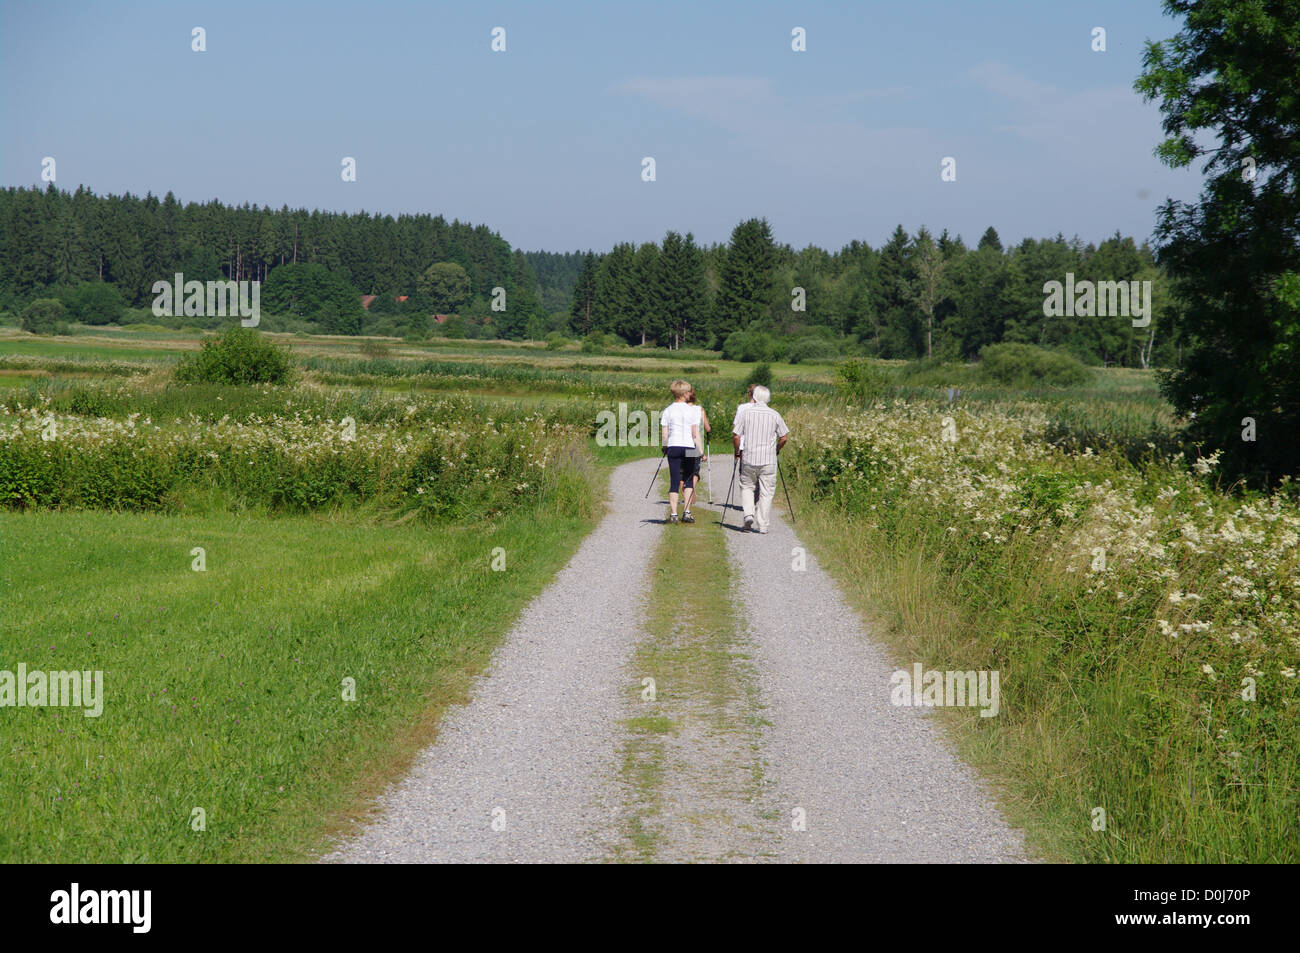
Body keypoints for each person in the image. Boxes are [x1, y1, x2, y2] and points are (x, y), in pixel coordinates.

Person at [732, 385, 789, 534]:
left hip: (749, 458)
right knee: (766, 492)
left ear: (754, 396)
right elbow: (784, 437)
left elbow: (736, 435)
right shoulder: (775, 414)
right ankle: (763, 525)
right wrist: (777, 449)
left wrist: (737, 451)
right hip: (768, 460)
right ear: (768, 398)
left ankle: (748, 515)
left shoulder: (746, 413)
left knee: (747, 487)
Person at [660, 379, 702, 523]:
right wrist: (700, 452)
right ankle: (687, 512)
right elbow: (694, 434)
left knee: (674, 481)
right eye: (688, 391)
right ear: (684, 393)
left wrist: (664, 447)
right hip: (689, 447)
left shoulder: (667, 410)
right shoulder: (692, 411)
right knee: (689, 480)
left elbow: (665, 434)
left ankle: (673, 515)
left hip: (674, 447)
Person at [731, 384, 760, 507]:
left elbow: (736, 430)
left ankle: (748, 499)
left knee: (744, 474)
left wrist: (736, 451)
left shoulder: (742, 408)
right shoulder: (765, 408)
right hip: (760, 445)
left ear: (749, 394)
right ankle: (755, 498)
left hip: (744, 445)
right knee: (759, 474)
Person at [685, 388, 710, 500]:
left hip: (682, 442)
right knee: (694, 470)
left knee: (683, 470)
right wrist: (708, 429)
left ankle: (686, 490)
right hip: (696, 443)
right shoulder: (700, 409)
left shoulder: (681, 409)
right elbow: (707, 427)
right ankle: (692, 489)